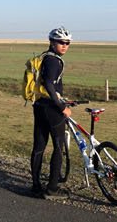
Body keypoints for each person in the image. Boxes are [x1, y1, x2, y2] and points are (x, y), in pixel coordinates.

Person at [29, 27, 72, 198]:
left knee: (39, 146)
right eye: (61, 42)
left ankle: (36, 185)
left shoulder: (45, 57)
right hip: (51, 109)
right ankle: (52, 188)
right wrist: (62, 107)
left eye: (67, 43)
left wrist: (62, 99)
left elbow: (48, 86)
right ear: (52, 42)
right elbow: (48, 84)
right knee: (58, 146)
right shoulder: (54, 61)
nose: (65, 46)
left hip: (39, 106)